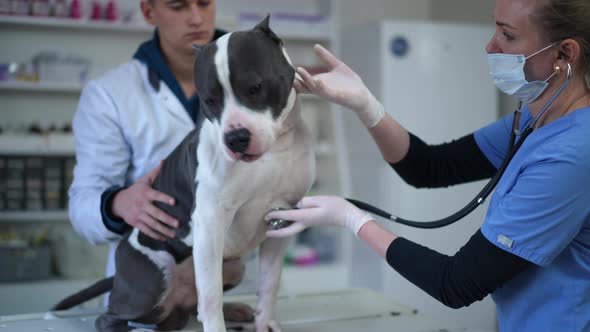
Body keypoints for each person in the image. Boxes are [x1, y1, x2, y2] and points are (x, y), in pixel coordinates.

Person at [265, 0, 590, 330]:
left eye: (507, 35)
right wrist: (366, 105)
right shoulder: (534, 121)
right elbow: (429, 168)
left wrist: (353, 220)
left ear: (564, 54)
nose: (490, 46)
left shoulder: (572, 154)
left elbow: (456, 283)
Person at [69, 0, 223, 277]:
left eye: (204, 3)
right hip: (148, 288)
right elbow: (82, 203)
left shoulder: (253, 79)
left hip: (237, 284)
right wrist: (117, 204)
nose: (197, 18)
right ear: (149, 12)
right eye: (178, 6)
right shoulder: (110, 94)